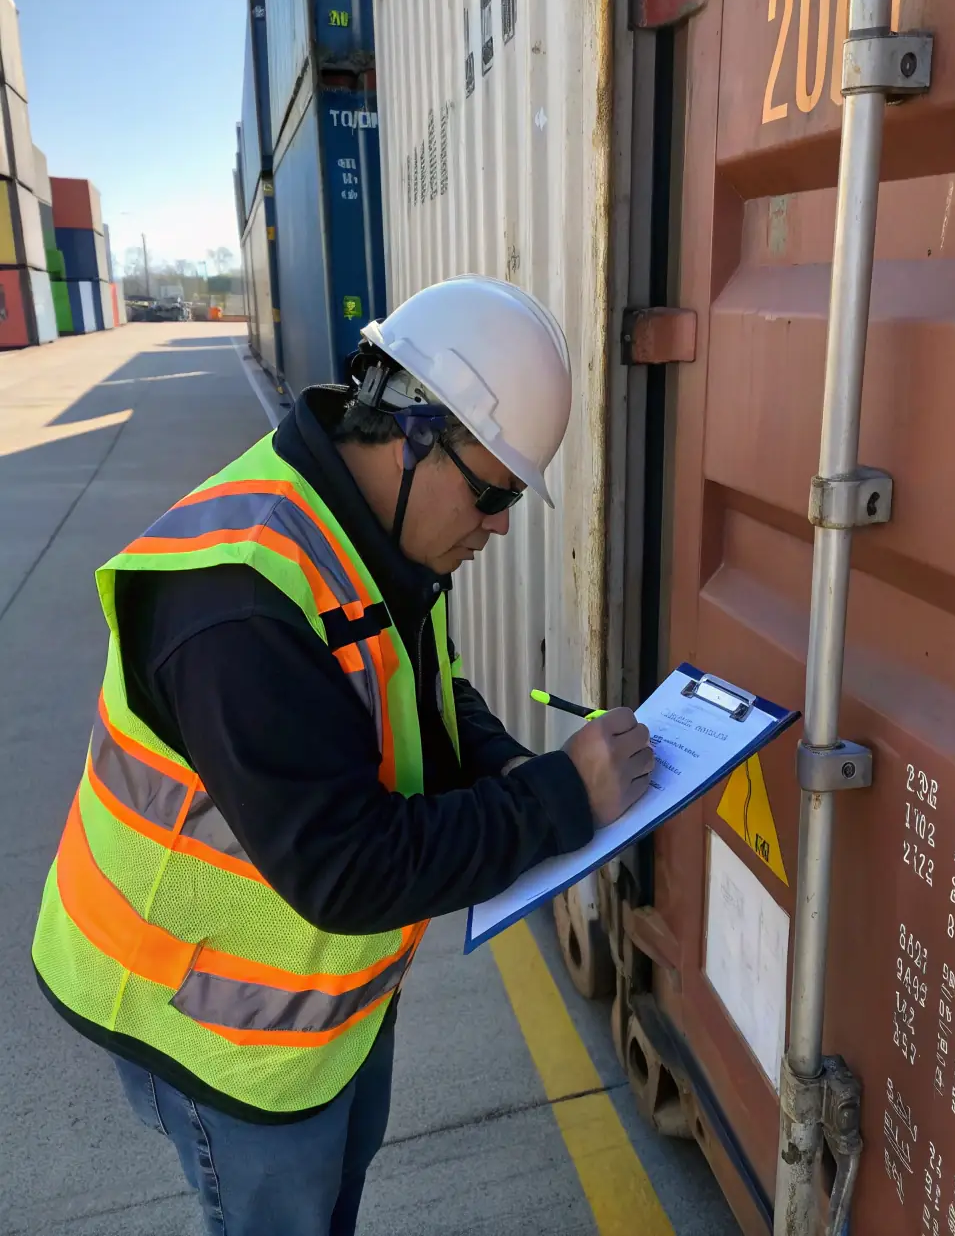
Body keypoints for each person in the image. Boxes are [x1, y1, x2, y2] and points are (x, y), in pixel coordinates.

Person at [31, 275, 654, 1236]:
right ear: (408, 429)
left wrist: (510, 773)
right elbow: (347, 865)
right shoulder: (237, 604)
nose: (496, 525)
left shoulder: (369, 539)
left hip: (324, 1015)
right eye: (490, 493)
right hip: (210, 1036)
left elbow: (429, 693)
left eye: (509, 501)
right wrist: (556, 800)